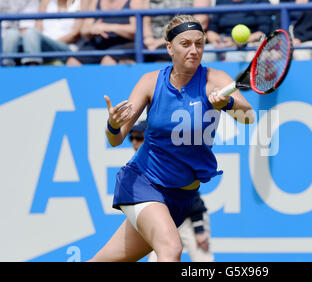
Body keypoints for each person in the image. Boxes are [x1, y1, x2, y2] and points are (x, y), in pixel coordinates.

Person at [89, 14, 254, 262]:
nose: (194, 50)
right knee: (170, 249)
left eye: (199, 44)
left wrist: (228, 102)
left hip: (180, 198)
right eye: (185, 44)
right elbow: (116, 139)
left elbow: (249, 116)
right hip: (144, 182)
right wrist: (113, 126)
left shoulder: (216, 80)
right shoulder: (150, 82)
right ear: (169, 47)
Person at [128, 120, 214, 262]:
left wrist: (199, 228)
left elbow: (191, 195)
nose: (134, 142)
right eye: (132, 138)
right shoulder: (139, 163)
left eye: (139, 137)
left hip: (190, 219)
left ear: (150, 137)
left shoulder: (164, 158)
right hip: (164, 221)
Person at [66, 0, 145, 66]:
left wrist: (108, 27)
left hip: (125, 43)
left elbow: (137, 30)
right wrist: (92, 29)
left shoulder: (135, 1)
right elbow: (84, 30)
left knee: (108, 60)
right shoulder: (95, 1)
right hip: (98, 44)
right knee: (72, 61)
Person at [20, 0, 87, 65]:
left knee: (31, 33)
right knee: (21, 34)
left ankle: (32, 70)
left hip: (66, 47)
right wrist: (43, 42)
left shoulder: (80, 2)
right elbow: (38, 27)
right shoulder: (46, 1)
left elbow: (74, 33)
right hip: (43, 44)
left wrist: (51, 43)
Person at [142, 0, 211, 62]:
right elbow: (145, 18)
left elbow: (201, 22)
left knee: (164, 51)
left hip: (183, 37)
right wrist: (148, 38)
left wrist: (161, 41)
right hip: (153, 40)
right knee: (134, 50)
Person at [204, 0, 273, 62]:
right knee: (205, 55)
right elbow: (211, 30)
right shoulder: (221, 2)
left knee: (233, 55)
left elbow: (263, 31)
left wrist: (235, 42)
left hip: (248, 44)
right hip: (223, 43)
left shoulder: (260, 1)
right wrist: (217, 41)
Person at [1, 0, 41, 66]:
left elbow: (25, 27)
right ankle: (5, 70)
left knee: (12, 34)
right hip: (7, 37)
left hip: (18, 38)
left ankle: (32, 71)